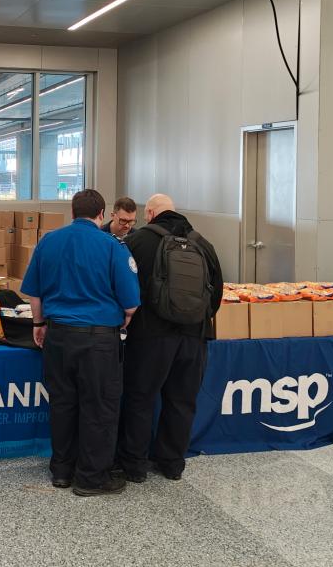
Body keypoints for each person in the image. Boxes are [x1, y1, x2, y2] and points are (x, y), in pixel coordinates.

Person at [22, 189, 140, 497]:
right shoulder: (112, 246)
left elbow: (34, 291)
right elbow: (130, 303)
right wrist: (123, 319)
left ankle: (61, 471)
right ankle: (90, 478)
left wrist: (38, 323)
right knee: (98, 407)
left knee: (62, 404)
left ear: (72, 212)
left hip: (58, 335)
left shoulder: (48, 241)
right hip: (98, 340)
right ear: (102, 214)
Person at [116, 193, 223, 483]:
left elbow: (124, 288)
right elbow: (216, 295)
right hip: (194, 337)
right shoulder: (204, 244)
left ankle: (135, 465)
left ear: (149, 214)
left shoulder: (138, 243)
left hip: (150, 337)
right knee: (182, 402)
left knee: (140, 399)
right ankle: (172, 463)